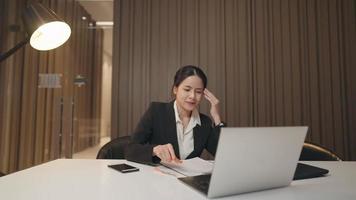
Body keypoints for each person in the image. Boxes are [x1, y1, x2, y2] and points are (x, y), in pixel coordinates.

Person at [125, 65, 225, 164]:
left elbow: (223, 154)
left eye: (198, 92)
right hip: (159, 177)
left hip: (190, 179)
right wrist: (154, 150)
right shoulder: (156, 111)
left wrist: (217, 118)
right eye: (187, 89)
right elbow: (130, 149)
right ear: (175, 89)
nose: (192, 96)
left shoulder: (205, 122)